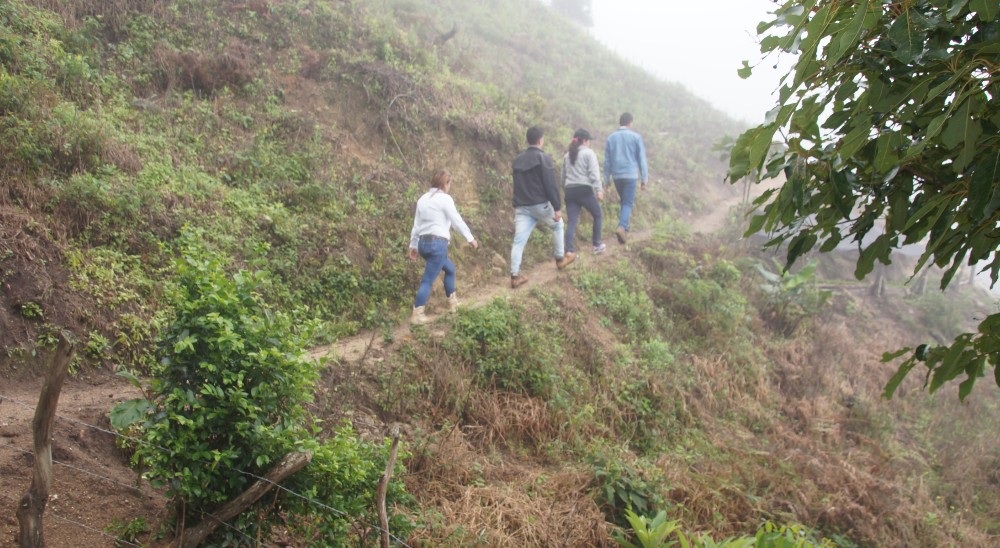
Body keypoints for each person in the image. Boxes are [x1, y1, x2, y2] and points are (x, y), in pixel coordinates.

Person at [408, 169, 478, 325]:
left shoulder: (422, 199)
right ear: (445, 184)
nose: (449, 187)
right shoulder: (445, 199)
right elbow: (456, 220)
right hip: (437, 244)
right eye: (449, 183)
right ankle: (417, 313)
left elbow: (416, 226)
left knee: (450, 269)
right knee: (427, 280)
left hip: (423, 244)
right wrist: (470, 238)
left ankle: (453, 303)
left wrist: (413, 245)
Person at [510, 126, 575, 289]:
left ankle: (514, 276)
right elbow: (550, 185)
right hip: (540, 205)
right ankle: (560, 259)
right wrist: (557, 207)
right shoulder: (543, 158)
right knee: (558, 225)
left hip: (522, 207)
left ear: (528, 140)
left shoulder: (518, 160)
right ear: (540, 140)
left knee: (518, 241)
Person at [603, 112, 648, 243]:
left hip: (617, 176)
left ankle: (625, 232)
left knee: (624, 201)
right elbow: (642, 159)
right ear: (630, 123)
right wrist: (644, 179)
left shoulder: (611, 138)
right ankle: (622, 227)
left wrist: (607, 180)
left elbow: (607, 161)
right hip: (630, 175)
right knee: (627, 202)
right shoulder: (636, 137)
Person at [562, 128, 606, 255]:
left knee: (572, 221)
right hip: (584, 190)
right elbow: (594, 173)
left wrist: (566, 188)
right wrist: (599, 190)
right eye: (589, 140)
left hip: (569, 190)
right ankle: (596, 245)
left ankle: (569, 251)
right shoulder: (589, 153)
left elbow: (563, 177)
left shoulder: (567, 155)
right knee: (597, 214)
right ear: (585, 141)